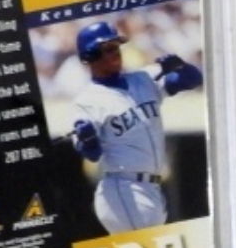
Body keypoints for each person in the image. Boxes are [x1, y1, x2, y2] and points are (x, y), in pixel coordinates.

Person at [69, 18, 203, 234]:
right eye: (109, 48)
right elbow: (91, 154)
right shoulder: (88, 100)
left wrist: (181, 66)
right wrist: (88, 137)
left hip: (152, 188)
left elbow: (193, 80)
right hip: (124, 190)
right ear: (90, 56)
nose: (116, 52)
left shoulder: (143, 78)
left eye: (117, 46)